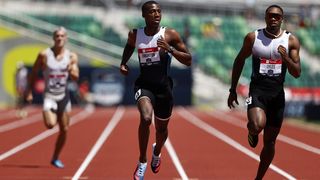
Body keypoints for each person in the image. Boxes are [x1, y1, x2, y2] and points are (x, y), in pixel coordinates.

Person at [119, 1, 192, 179]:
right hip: (144, 84)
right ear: (144, 15)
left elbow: (188, 60)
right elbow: (129, 46)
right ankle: (142, 160)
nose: (157, 14)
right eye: (152, 12)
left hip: (163, 88)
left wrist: (171, 50)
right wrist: (123, 62)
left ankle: (156, 152)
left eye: (159, 11)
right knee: (145, 118)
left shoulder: (169, 34)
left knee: (161, 130)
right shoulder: (135, 34)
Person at [227, 5, 301, 180]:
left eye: (277, 16)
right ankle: (252, 132)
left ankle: (259, 178)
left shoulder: (291, 41)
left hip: (277, 95)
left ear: (282, 19)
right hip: (258, 91)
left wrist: (286, 59)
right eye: (270, 16)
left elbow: (297, 73)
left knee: (270, 142)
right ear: (266, 18)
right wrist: (232, 89)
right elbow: (239, 61)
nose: (274, 18)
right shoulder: (253, 37)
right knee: (257, 125)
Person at [25, 27, 79, 168]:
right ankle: (52, 112)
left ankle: (55, 157)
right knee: (50, 125)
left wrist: (71, 69)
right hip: (49, 95)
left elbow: (75, 77)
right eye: (57, 36)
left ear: (66, 38)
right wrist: (29, 91)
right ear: (53, 38)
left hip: (64, 96)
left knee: (65, 129)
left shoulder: (72, 56)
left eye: (62, 36)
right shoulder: (44, 54)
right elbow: (34, 73)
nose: (59, 38)